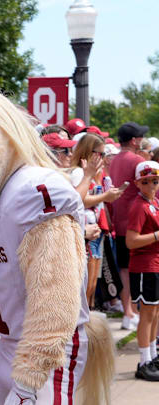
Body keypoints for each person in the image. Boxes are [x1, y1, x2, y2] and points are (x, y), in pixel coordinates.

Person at [69, 133, 124, 309]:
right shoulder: (79, 172)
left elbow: (95, 199)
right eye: (99, 153)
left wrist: (108, 196)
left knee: (92, 284)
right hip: (85, 230)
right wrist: (105, 196)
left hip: (96, 230)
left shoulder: (93, 175)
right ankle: (81, 326)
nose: (102, 158)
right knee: (86, 285)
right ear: (87, 151)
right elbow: (80, 200)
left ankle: (88, 323)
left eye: (103, 154)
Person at [110, 122, 148, 329]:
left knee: (125, 269)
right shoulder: (137, 160)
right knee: (138, 269)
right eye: (140, 137)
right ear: (134, 140)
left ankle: (129, 312)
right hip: (137, 223)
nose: (141, 140)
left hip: (119, 221)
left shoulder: (114, 160)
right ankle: (135, 311)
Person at [125, 160, 159, 381]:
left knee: (155, 313)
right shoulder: (139, 206)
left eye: (155, 181)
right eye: (146, 182)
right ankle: (144, 360)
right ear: (138, 183)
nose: (151, 186)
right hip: (145, 265)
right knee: (147, 314)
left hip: (154, 264)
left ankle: (153, 355)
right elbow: (131, 241)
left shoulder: (153, 202)